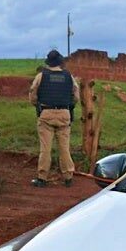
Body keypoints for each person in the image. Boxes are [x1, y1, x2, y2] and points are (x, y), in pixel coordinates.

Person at [29, 49, 79, 187]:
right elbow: (76, 95)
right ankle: (68, 177)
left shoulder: (41, 76)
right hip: (64, 113)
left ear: (48, 62)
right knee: (64, 148)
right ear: (60, 62)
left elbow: (33, 93)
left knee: (45, 148)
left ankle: (42, 178)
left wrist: (37, 105)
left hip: (46, 114)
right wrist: (69, 106)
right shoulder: (69, 76)